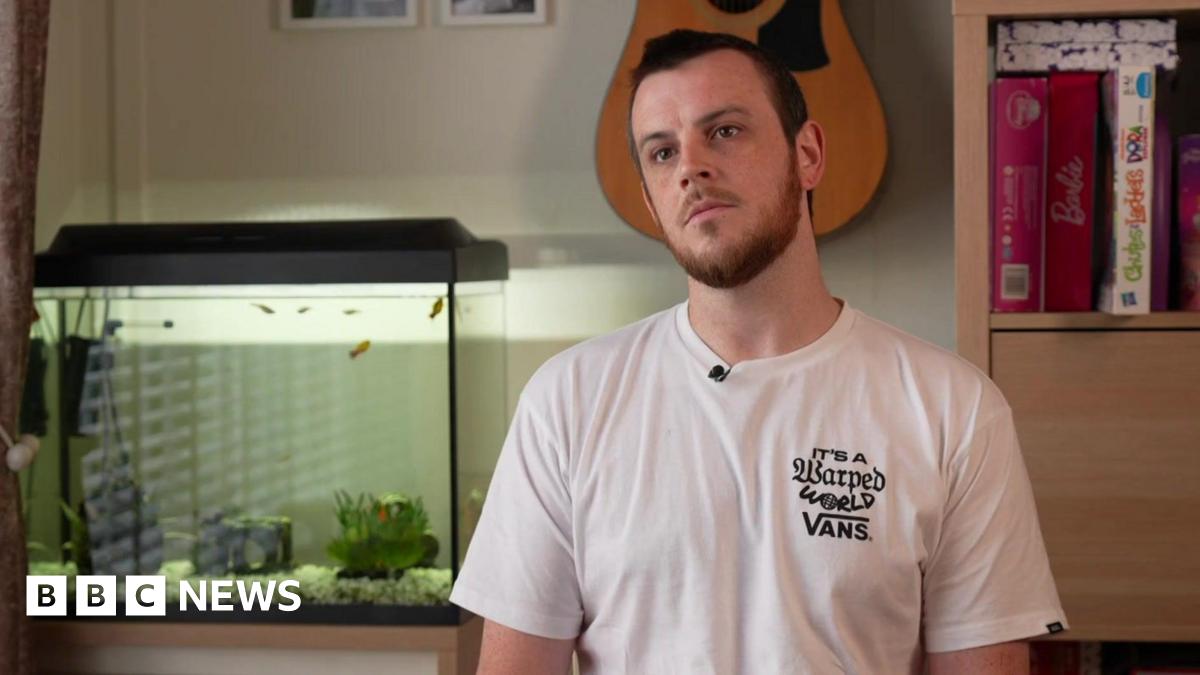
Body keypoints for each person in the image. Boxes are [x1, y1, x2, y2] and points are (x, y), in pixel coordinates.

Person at [449, 29, 1066, 674]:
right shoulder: (566, 401)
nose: (691, 167)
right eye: (662, 152)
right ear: (650, 198)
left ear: (808, 154)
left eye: (724, 132)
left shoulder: (954, 409)